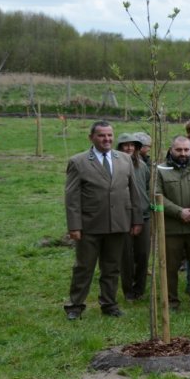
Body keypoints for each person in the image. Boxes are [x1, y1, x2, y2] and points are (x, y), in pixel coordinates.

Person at [64, 121, 143, 319]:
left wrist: (136, 220)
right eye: (101, 135)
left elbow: (133, 191)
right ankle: (75, 306)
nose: (107, 139)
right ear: (91, 137)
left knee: (112, 267)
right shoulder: (78, 162)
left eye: (109, 135)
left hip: (118, 224)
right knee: (84, 267)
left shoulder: (125, 159)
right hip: (90, 225)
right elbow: (72, 198)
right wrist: (74, 226)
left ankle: (109, 304)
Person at [154, 135, 190, 310]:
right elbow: (156, 197)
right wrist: (179, 212)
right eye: (179, 150)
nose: (183, 153)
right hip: (171, 229)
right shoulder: (160, 170)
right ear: (171, 150)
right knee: (170, 268)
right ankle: (171, 301)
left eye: (186, 150)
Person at [116, 132, 151, 303]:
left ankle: (140, 288)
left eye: (132, 145)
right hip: (124, 216)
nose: (129, 148)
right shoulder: (115, 165)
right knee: (126, 256)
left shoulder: (143, 166)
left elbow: (146, 188)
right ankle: (128, 290)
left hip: (144, 215)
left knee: (143, 254)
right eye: (125, 145)